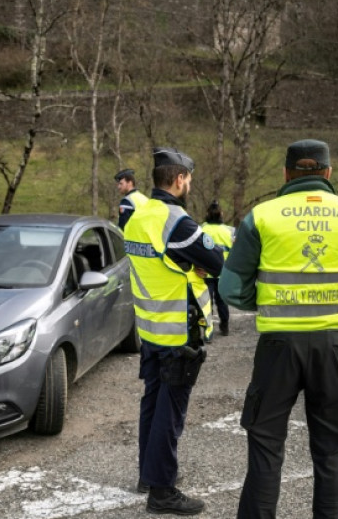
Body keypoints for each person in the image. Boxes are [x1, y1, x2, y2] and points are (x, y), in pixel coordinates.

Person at [219, 139, 338, 519]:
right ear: (329, 172)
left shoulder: (262, 216)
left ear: (286, 173)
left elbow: (231, 289)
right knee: (331, 451)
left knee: (266, 445)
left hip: (278, 346)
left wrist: (271, 299)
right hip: (337, 347)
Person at [124, 147, 224, 516]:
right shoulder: (177, 221)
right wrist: (196, 267)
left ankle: (148, 476)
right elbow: (217, 263)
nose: (190, 184)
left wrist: (188, 265)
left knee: (152, 405)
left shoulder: (136, 215)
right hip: (179, 334)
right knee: (171, 413)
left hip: (150, 329)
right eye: (189, 178)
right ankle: (162, 491)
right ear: (179, 179)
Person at [200, 200, 235, 336]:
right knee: (222, 302)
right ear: (221, 214)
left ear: (207, 214)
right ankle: (224, 326)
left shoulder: (201, 229)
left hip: (205, 272)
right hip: (223, 272)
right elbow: (234, 253)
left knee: (206, 302)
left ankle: (208, 328)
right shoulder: (229, 231)